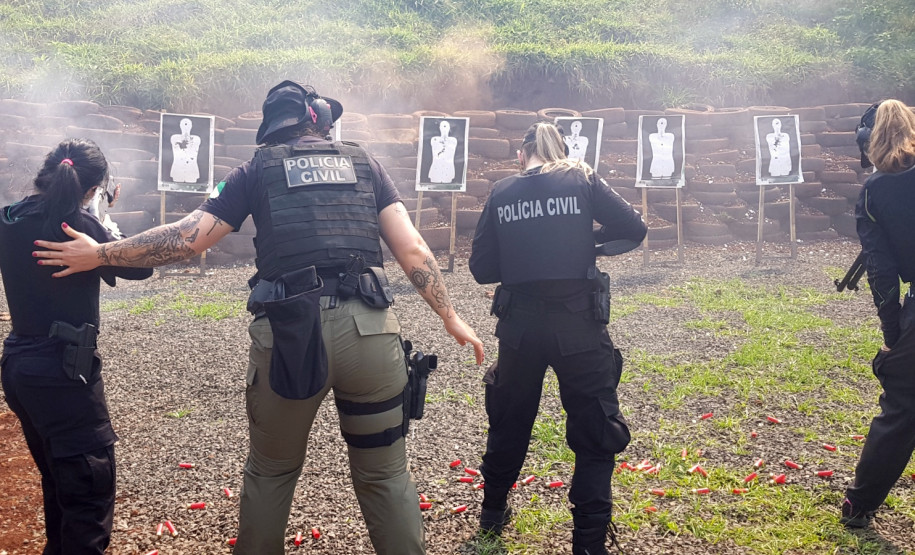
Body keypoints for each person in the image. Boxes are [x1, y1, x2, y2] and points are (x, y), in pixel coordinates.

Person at [32, 80, 485, 555]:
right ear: (316, 118)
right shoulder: (363, 162)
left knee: (272, 471)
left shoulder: (255, 170)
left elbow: (188, 238)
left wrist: (102, 253)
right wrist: (451, 316)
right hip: (370, 333)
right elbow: (411, 247)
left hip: (289, 336)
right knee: (385, 473)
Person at [468, 121, 647, 554]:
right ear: (563, 149)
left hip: (521, 329)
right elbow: (634, 229)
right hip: (580, 327)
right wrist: (588, 244)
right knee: (595, 430)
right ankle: (588, 543)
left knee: (509, 420)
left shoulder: (502, 191)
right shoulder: (583, 177)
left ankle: (493, 513)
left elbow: (482, 268)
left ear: (520, 156)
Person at [0, 139, 153, 554]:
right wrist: (102, 223)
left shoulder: (9, 217)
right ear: (92, 188)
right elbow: (143, 266)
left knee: (59, 483)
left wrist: (95, 216)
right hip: (64, 371)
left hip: (20, 367)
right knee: (88, 493)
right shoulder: (81, 226)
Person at [842, 99, 915, 528]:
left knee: (903, 407)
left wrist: (894, 334)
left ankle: (860, 503)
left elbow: (883, 273)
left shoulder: (875, 191)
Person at [169, 117, 201, 183]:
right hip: (177, 169)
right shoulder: (174, 138)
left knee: (191, 180)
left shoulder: (196, 139)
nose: (186, 127)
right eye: (184, 125)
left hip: (192, 170)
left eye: (187, 125)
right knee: (177, 180)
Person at [428, 119, 457, 183]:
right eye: (443, 126)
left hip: (448, 168)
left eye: (446, 126)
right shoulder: (434, 139)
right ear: (440, 128)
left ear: (449, 128)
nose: (444, 129)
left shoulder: (453, 140)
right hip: (436, 168)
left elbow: (450, 152)